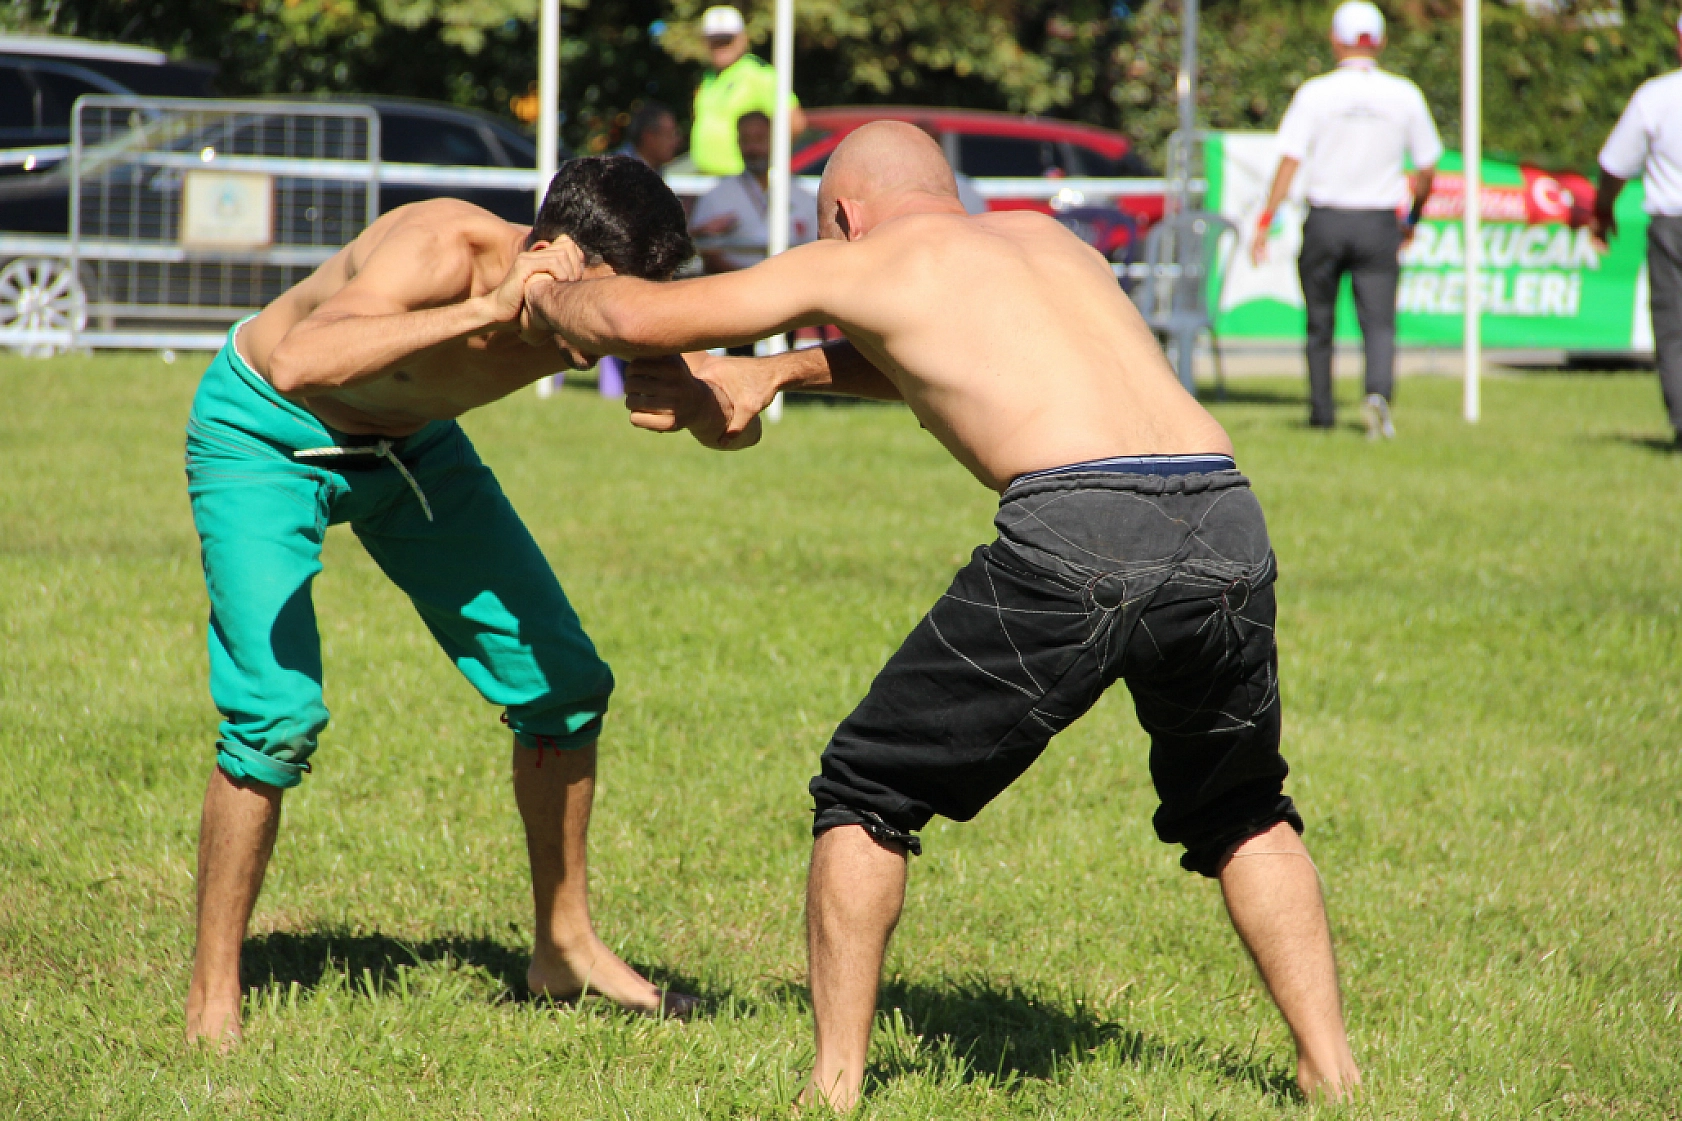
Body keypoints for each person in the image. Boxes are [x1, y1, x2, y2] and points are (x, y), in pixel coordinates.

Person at [520, 122, 1362, 1109]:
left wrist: (545, 288)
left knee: (865, 789)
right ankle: (1334, 1071)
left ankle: (832, 1085)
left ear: (843, 215)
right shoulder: (1049, 243)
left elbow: (637, 316)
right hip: (1225, 515)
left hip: (1080, 528)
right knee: (1241, 806)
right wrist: (775, 372)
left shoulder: (860, 255)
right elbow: (934, 350)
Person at [181, 156, 702, 1048]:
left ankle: (562, 948)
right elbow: (304, 361)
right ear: (550, 255)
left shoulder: (612, 298)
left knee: (565, 686)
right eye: (603, 309)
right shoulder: (439, 250)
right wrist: (489, 311)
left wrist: (699, 396)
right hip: (264, 433)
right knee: (273, 715)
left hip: (411, 451)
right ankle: (210, 992)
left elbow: (739, 415)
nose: (611, 336)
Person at [1250, 0, 1441, 438]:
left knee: (1320, 321)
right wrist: (1413, 216)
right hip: (1377, 222)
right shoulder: (1405, 93)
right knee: (1379, 322)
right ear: (1381, 41)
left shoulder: (1315, 92)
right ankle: (1377, 393)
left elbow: (1289, 160)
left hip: (1326, 219)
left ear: (1335, 40)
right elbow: (1428, 169)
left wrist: (1266, 219)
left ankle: (1321, 412)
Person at [1590, 13, 1682, 447]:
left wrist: (1603, 210)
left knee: (1674, 327)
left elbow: (1614, 165)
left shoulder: (1658, 96)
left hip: (1672, 226)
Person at [690, 111, 820, 274]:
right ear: (738, 143)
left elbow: (815, 251)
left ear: (775, 141)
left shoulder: (801, 195)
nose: (753, 148)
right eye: (746, 140)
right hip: (732, 289)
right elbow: (708, 255)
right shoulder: (716, 196)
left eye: (760, 139)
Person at [689, 4, 806, 177]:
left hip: (744, 179)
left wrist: (767, 161)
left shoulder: (758, 74)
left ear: (742, 39)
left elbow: (795, 122)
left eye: (726, 40)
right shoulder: (709, 77)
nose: (720, 47)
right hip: (706, 178)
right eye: (715, 41)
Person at [619, 101, 682, 172]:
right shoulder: (618, 170)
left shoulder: (656, 169)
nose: (677, 140)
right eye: (670, 135)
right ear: (649, 137)